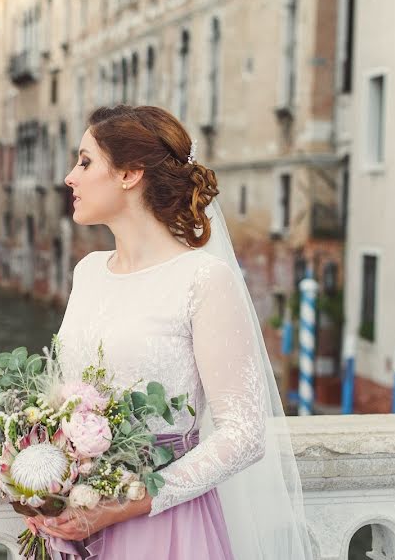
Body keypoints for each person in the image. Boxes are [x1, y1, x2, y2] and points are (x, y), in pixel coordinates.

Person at [26, 105, 313, 559]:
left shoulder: (204, 279)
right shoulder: (88, 272)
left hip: (160, 528)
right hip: (72, 524)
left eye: (84, 161)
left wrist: (122, 504)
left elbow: (245, 434)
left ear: (129, 174)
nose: (69, 178)